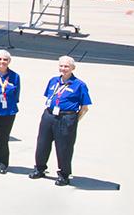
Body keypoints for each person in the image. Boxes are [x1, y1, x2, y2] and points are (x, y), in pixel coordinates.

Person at [31, 55, 91, 186]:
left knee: (64, 147)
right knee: (42, 143)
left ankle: (64, 174)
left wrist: (74, 120)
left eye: (67, 66)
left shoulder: (79, 85)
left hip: (66, 117)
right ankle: (40, 168)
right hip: (49, 115)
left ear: (73, 68)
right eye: (61, 66)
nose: (63, 69)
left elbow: (85, 108)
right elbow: (50, 97)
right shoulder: (53, 81)